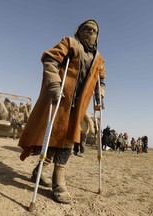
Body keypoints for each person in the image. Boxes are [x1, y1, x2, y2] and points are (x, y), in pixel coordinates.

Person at [18, 19, 106, 204]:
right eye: (86, 29)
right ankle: (53, 179)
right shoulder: (70, 43)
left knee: (69, 138)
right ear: (79, 31)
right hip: (62, 98)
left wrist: (100, 94)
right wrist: (55, 84)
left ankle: (47, 174)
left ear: (98, 36)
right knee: (53, 135)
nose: (90, 32)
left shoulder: (98, 57)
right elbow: (50, 59)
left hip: (80, 104)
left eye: (94, 30)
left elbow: (101, 77)